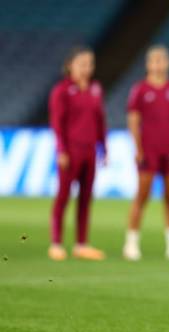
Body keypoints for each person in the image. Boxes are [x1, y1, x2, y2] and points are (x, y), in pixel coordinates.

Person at [123, 45, 169, 261]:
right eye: (154, 61)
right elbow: (133, 120)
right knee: (142, 197)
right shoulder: (140, 90)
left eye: (161, 60)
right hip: (149, 151)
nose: (158, 64)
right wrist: (137, 148)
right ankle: (131, 244)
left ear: (167, 63)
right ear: (148, 64)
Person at [48, 46, 107, 261]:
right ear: (70, 66)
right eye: (81, 64)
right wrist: (61, 150)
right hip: (71, 151)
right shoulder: (62, 91)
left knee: (85, 198)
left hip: (90, 151)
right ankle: (56, 243)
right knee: (63, 197)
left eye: (89, 64)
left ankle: (81, 244)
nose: (86, 68)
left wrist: (105, 148)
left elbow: (100, 120)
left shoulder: (95, 89)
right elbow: (57, 123)